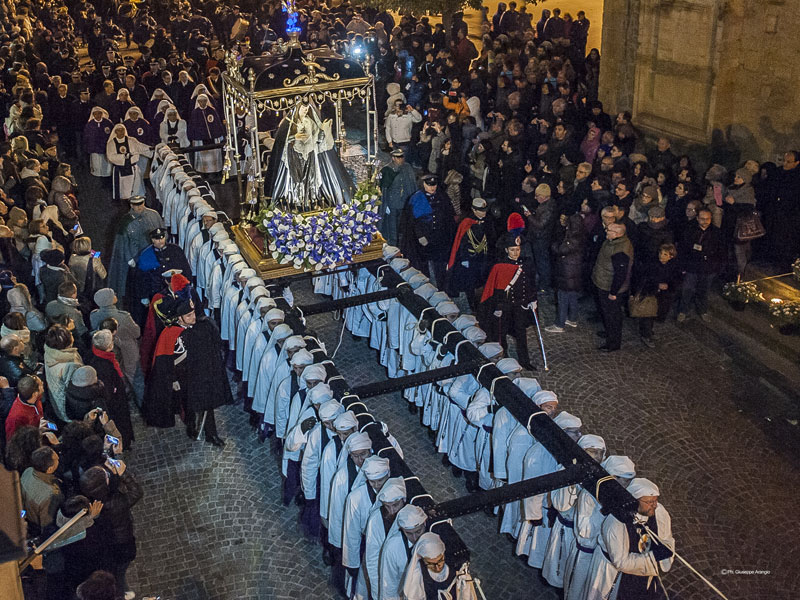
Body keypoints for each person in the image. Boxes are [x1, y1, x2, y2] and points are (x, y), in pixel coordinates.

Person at [143, 299, 230, 446]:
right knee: (188, 403)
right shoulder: (170, 334)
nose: (193, 317)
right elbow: (166, 363)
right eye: (189, 315)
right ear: (179, 318)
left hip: (201, 375)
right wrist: (173, 380)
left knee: (207, 404)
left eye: (193, 313)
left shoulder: (201, 327)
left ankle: (211, 433)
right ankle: (191, 426)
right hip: (183, 377)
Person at [582, 478, 674, 600]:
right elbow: (621, 562)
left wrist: (665, 551)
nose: (654, 505)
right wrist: (651, 558)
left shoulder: (659, 512)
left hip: (643, 576)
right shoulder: (616, 522)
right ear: (635, 501)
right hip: (615, 574)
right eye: (649, 502)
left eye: (655, 500)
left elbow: (666, 537)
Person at [563, 455, 636, 600]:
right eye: (626, 481)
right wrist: (604, 512)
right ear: (613, 478)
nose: (628, 486)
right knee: (576, 590)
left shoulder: (622, 497)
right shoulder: (589, 496)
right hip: (585, 553)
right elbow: (584, 530)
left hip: (599, 557)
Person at [80, 460, 143, 600]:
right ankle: (120, 592)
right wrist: (123, 474)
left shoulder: (88, 502)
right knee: (119, 571)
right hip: (122, 543)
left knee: (115, 569)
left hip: (106, 545)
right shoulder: (116, 503)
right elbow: (136, 492)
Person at [480, 233, 537, 369]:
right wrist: (498, 307)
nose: (515, 253)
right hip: (505, 305)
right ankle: (502, 357)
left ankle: (524, 361)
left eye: (517, 249)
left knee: (521, 333)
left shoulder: (526, 263)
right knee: (501, 332)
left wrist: (532, 299)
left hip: (520, 305)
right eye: (512, 250)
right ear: (506, 250)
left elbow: (530, 283)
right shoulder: (500, 266)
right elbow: (497, 289)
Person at [403, 174, 457, 288]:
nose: (432, 188)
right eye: (429, 185)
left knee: (440, 264)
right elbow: (412, 222)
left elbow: (449, 217)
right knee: (422, 264)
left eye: (434, 185)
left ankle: (442, 287)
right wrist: (420, 236)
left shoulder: (443, 197)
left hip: (439, 238)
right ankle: (424, 286)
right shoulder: (416, 198)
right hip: (423, 238)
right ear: (423, 185)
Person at [108, 196, 164, 297]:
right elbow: (123, 242)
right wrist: (129, 258)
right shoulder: (126, 221)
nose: (139, 208)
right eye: (136, 205)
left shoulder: (153, 215)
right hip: (136, 257)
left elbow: (162, 231)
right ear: (131, 205)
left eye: (141, 204)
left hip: (153, 254)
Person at [677, 208, 724, 322]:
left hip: (708, 268)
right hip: (692, 266)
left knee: (703, 291)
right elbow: (683, 249)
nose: (705, 221)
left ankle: (702, 310)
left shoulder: (716, 232)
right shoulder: (690, 230)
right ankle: (683, 311)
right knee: (687, 290)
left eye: (708, 219)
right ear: (697, 218)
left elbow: (722, 252)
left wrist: (718, 268)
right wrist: (682, 266)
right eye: (702, 219)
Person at [591, 223, 633, 352]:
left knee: (613, 316)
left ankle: (613, 343)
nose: (606, 231)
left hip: (610, 287)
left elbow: (621, 274)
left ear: (618, 234)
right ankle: (609, 332)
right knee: (608, 313)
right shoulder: (612, 242)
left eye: (609, 230)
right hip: (604, 282)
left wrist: (614, 292)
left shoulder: (621, 249)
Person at [88, 330, 134, 446]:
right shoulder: (105, 365)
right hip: (115, 402)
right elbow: (108, 388)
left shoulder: (95, 355)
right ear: (109, 346)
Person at [446, 197, 493, 311]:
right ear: (473, 210)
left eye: (485, 210)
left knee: (484, 281)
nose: (484, 213)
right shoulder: (467, 223)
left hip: (484, 257)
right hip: (471, 258)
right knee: (471, 283)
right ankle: (474, 306)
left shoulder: (488, 221)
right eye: (481, 211)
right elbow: (462, 243)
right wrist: (464, 259)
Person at [90, 289, 141, 388]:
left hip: (108, 350)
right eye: (113, 294)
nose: (115, 295)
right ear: (109, 300)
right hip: (128, 351)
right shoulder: (124, 316)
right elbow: (137, 333)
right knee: (135, 379)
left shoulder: (94, 315)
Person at [131, 227, 192, 307]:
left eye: (162, 237)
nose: (160, 241)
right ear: (152, 240)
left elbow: (186, 269)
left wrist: (187, 286)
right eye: (157, 239)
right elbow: (141, 278)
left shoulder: (175, 250)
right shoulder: (146, 255)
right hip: (157, 293)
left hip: (178, 291)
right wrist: (144, 296)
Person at [378, 503, 428, 600]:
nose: (414, 538)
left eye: (418, 531)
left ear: (425, 524)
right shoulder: (392, 548)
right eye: (409, 533)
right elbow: (388, 586)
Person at [546, 213, 585, 332]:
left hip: (567, 271)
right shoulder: (581, 235)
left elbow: (560, 249)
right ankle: (573, 318)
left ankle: (559, 324)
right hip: (574, 270)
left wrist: (555, 243)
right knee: (572, 295)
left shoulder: (573, 238)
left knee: (562, 296)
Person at [21, 445, 64, 533]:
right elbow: (47, 524)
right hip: (35, 526)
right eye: (57, 459)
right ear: (50, 469)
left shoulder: (28, 471)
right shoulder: (51, 495)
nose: (58, 458)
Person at [378, 148, 417, 246]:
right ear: (393, 158)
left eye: (402, 157)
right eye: (398, 157)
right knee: (392, 227)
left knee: (404, 226)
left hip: (405, 202)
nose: (401, 159)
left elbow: (412, 184)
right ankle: (393, 245)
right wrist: (385, 204)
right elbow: (384, 189)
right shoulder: (387, 170)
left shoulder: (407, 168)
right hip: (392, 203)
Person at [106, 123, 151, 201]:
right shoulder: (111, 143)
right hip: (120, 170)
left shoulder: (131, 140)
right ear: (115, 132)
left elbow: (141, 147)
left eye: (122, 130)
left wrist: (152, 149)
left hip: (133, 169)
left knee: (136, 188)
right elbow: (111, 157)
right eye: (118, 130)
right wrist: (125, 156)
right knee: (124, 191)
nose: (121, 132)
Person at [4, 375, 44, 441]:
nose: (42, 383)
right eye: (40, 385)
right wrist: (37, 431)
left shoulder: (34, 397)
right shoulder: (15, 418)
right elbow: (12, 442)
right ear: (35, 394)